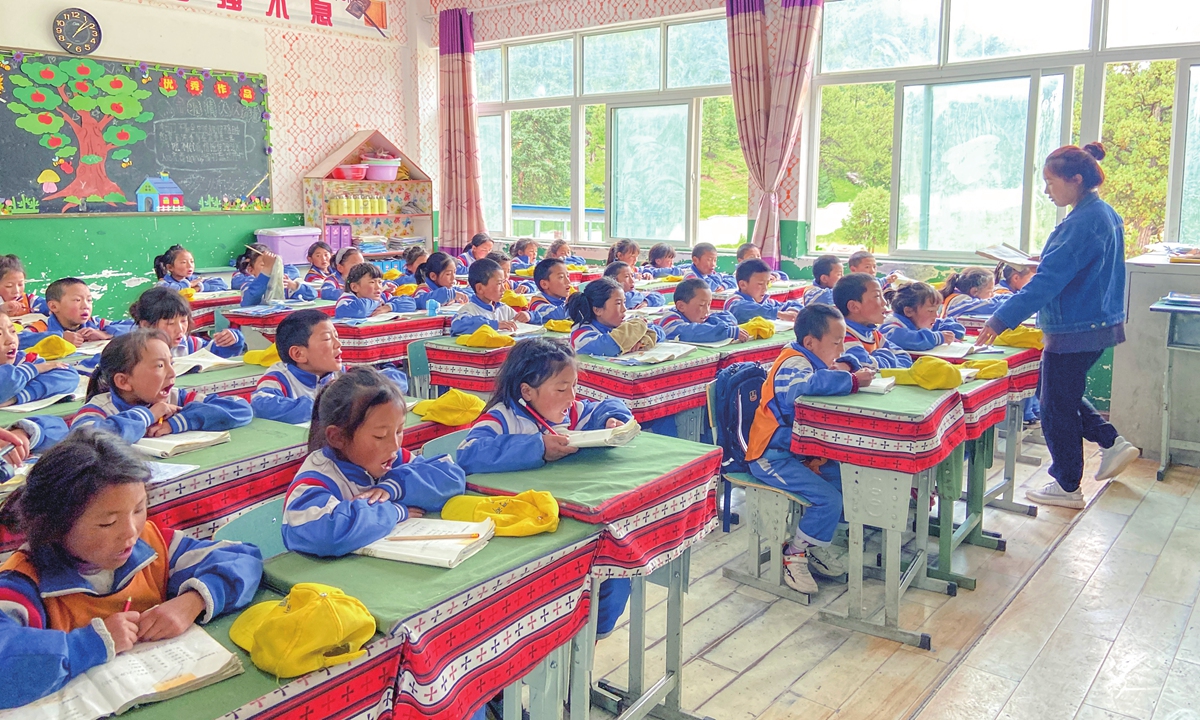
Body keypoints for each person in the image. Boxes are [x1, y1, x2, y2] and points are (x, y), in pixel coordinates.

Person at [0, 427, 262, 708]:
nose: (130, 533)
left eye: (138, 509)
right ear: (55, 525)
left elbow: (241, 558)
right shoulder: (24, 583)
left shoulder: (152, 545)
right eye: (107, 523)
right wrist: (91, 644)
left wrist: (192, 601)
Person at [976, 143, 1140, 508]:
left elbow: (1048, 282)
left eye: (1051, 182)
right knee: (1057, 395)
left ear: (1075, 179)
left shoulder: (1084, 221)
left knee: (1054, 407)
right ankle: (1111, 441)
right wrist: (1043, 259)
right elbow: (1073, 265)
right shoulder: (1099, 212)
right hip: (1093, 321)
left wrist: (1000, 318)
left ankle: (1067, 485)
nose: (1047, 191)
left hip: (1075, 327)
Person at [455, 338, 633, 637]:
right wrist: (536, 447)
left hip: (569, 521)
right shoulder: (503, 419)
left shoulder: (570, 413)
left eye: (574, 386)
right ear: (527, 391)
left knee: (615, 569)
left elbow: (603, 406)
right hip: (520, 534)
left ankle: (590, 646)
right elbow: (469, 452)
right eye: (562, 389)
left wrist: (614, 418)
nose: (572, 396)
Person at [745, 304, 874, 593]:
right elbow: (799, 390)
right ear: (810, 343)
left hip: (798, 452)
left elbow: (844, 362)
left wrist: (847, 364)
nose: (841, 349)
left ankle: (814, 542)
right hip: (770, 456)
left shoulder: (811, 356)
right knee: (828, 500)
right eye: (836, 342)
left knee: (845, 484)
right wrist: (851, 380)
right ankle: (795, 553)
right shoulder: (794, 362)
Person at [280, 367, 466, 557]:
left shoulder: (394, 459)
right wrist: (395, 511)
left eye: (399, 431)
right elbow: (327, 533)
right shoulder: (316, 479)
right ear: (337, 437)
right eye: (380, 436)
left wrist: (393, 488)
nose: (394, 445)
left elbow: (451, 477)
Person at [71, 329, 253, 443]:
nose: (172, 373)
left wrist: (178, 423)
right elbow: (83, 441)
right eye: (159, 366)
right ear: (124, 381)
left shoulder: (176, 398)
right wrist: (149, 415)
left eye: (171, 363)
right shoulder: (100, 408)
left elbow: (241, 409)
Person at [19, 278, 134, 350]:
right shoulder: (42, 326)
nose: (86, 306)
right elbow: (18, 339)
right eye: (77, 300)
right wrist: (60, 338)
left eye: (89, 300)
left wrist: (107, 333)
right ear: (53, 306)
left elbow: (139, 326)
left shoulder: (93, 323)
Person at [129, 286, 245, 358]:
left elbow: (217, 351)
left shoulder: (190, 345)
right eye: (170, 323)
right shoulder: (133, 353)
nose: (180, 329)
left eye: (183, 321)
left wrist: (232, 339)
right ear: (146, 325)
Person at [833, 273, 913, 370]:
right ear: (854, 307)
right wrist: (884, 354)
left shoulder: (873, 333)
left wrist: (878, 357)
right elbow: (867, 366)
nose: (884, 302)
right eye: (877, 296)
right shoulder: (843, 336)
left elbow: (905, 357)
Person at [0, 310, 78, 407]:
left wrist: (16, 396)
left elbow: (68, 375)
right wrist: (36, 369)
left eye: (13, 331)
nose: (11, 340)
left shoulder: (23, 359)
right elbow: (7, 380)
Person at [568, 278, 663, 357]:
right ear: (597, 310)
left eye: (624, 302)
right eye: (618, 303)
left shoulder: (615, 323)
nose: (624, 309)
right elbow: (609, 346)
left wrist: (641, 340)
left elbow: (659, 331)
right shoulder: (580, 333)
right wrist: (638, 326)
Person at [450, 258, 532, 336]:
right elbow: (458, 325)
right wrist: (495, 325)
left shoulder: (503, 309)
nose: (503, 289)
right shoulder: (469, 311)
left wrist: (528, 316)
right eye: (499, 283)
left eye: (504, 283)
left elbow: (521, 322)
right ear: (480, 288)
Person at [655, 278, 748, 344]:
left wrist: (725, 328)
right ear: (681, 306)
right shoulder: (670, 320)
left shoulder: (698, 316)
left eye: (709, 304)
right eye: (701, 305)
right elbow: (692, 332)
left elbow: (728, 317)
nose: (707, 311)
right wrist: (725, 331)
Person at [879, 281, 966, 351]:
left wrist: (949, 334)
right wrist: (938, 337)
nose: (936, 315)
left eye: (936, 310)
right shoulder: (891, 327)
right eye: (930, 311)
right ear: (909, 311)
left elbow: (957, 329)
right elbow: (908, 339)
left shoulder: (920, 321)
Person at [724, 259, 802, 324]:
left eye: (768, 283)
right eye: (760, 284)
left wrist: (792, 311)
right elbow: (745, 309)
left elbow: (793, 304)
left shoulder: (765, 302)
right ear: (743, 285)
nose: (765, 288)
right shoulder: (734, 302)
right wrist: (780, 314)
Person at [239, 245, 318, 307]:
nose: (271, 269)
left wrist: (294, 285)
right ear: (251, 270)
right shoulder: (248, 284)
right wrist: (266, 271)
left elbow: (312, 294)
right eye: (264, 265)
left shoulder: (282, 285)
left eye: (274, 266)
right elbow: (249, 301)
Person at [334, 263, 417, 319]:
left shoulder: (381, 297)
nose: (378, 287)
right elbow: (362, 309)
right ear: (355, 287)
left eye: (380, 282)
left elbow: (411, 303)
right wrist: (378, 303)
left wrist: (388, 307)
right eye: (372, 282)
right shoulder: (345, 301)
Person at [939, 266, 1006, 319]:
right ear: (974, 291)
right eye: (990, 291)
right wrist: (1010, 303)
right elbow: (988, 306)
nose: (992, 294)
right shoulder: (960, 300)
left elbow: (995, 297)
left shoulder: (958, 294)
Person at [154, 245, 228, 292]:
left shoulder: (195, 279)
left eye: (192, 262)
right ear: (170, 267)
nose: (190, 266)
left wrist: (198, 288)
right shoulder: (162, 284)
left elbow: (222, 284)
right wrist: (189, 285)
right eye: (183, 262)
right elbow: (172, 291)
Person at [526, 258, 572, 324]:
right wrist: (576, 301)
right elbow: (559, 315)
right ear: (544, 284)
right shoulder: (537, 304)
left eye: (568, 276)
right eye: (561, 277)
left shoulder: (563, 299)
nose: (568, 281)